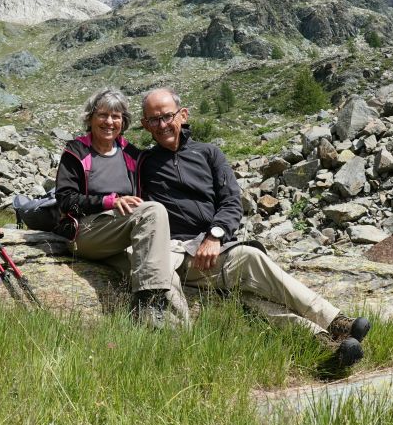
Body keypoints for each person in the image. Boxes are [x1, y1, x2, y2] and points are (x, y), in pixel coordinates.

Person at [137, 87, 370, 365]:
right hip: (178, 254)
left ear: (183, 115)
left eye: (167, 116)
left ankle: (327, 345)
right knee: (249, 258)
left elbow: (231, 202)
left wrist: (215, 235)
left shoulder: (209, 154)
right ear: (145, 125)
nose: (162, 125)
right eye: (154, 120)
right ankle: (335, 320)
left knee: (250, 300)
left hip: (215, 249)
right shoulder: (143, 163)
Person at [55, 87, 189, 328]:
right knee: (154, 210)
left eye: (116, 117)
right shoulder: (76, 151)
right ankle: (149, 309)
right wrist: (109, 201)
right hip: (87, 233)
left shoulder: (132, 154)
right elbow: (65, 199)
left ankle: (177, 334)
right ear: (91, 118)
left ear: (123, 122)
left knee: (162, 272)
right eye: (103, 115)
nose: (109, 122)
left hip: (121, 236)